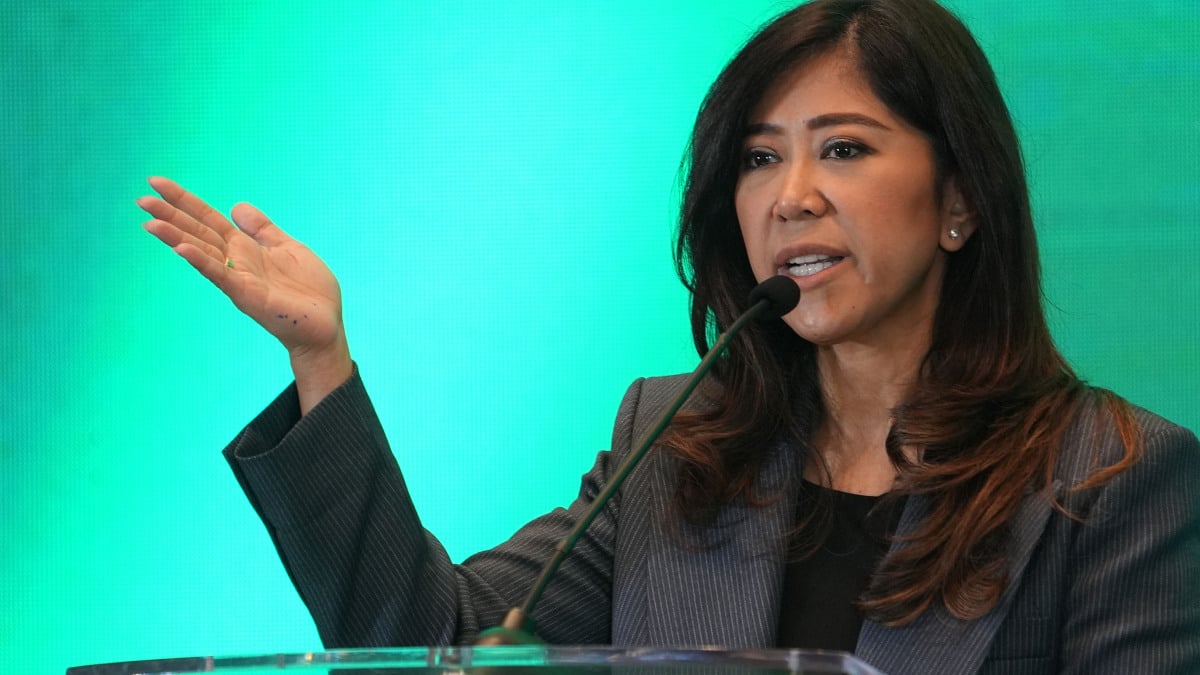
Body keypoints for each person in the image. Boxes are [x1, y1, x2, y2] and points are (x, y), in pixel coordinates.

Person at [137, 0, 1200, 672]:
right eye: (758, 159)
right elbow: (445, 645)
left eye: (842, 149)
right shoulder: (681, 446)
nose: (790, 196)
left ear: (959, 198)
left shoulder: (1116, 479)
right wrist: (322, 359)